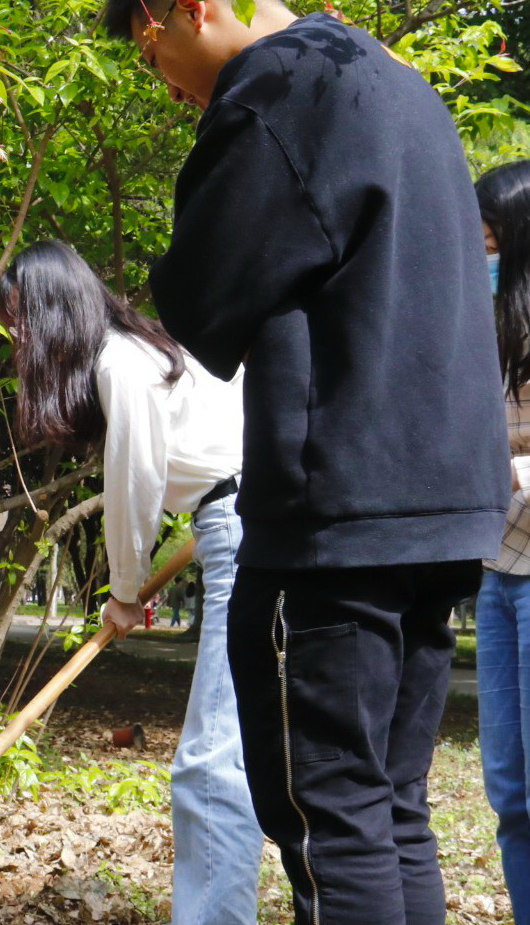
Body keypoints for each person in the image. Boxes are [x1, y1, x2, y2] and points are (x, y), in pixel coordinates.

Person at [101, 2, 509, 922]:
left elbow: (203, 301)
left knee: (328, 815)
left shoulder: (277, 91)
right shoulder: (401, 85)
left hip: (338, 516)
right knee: (390, 805)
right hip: (438, 506)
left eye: (147, 42)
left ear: (188, 9)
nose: (159, 74)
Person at [0, 240, 260, 925]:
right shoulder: (146, 350)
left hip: (243, 521)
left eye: (19, 318)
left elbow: (134, 483)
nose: (18, 338)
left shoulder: (121, 363)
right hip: (236, 515)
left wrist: (123, 589)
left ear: (52, 311)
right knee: (245, 748)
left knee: (210, 762)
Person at [475, 159, 530, 920]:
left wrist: (508, 468)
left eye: (490, 239)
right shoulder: (488, 328)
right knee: (510, 791)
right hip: (498, 571)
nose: (479, 253)